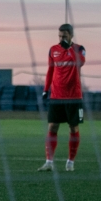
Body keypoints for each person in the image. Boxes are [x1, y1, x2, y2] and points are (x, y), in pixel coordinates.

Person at [38, 23, 85, 172]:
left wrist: (69, 48)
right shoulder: (53, 50)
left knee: (73, 127)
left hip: (74, 96)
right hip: (56, 96)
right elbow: (50, 70)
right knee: (52, 126)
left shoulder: (79, 49)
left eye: (64, 36)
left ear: (71, 35)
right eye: (59, 36)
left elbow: (80, 62)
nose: (61, 39)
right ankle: (49, 162)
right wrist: (46, 89)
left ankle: (70, 162)